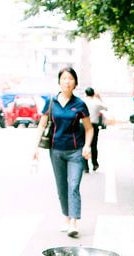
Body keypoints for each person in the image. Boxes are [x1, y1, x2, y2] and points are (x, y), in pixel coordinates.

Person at [33, 67, 93, 238]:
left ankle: (74, 221)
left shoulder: (80, 104)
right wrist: (35, 148)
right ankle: (66, 217)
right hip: (56, 150)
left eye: (70, 78)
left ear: (75, 83)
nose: (67, 81)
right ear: (59, 81)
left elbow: (89, 129)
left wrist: (87, 146)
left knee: (73, 186)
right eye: (64, 78)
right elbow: (42, 125)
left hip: (75, 151)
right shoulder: (51, 103)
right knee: (62, 187)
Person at [84, 87, 106, 172]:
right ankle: (95, 164)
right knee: (93, 145)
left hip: (83, 125)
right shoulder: (97, 102)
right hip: (94, 125)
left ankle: (85, 167)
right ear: (93, 94)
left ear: (86, 94)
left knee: (84, 145)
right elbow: (106, 108)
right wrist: (99, 98)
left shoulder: (82, 102)